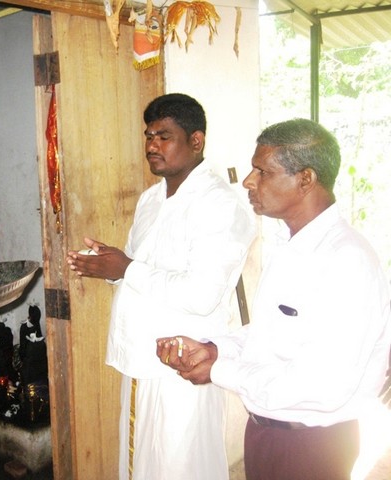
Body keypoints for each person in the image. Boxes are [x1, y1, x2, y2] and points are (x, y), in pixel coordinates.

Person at [157, 118, 391, 480]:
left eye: (263, 171)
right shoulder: (290, 246)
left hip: (311, 447)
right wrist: (216, 349)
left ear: (305, 179)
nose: (249, 181)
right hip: (267, 431)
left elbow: (323, 386)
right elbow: (270, 334)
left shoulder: (346, 261)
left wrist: (219, 370)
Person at [67, 93, 256, 480]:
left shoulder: (220, 204)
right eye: (149, 136)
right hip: (140, 356)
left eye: (164, 136)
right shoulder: (150, 199)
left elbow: (201, 295)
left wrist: (127, 267)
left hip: (182, 365)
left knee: (180, 467)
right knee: (139, 466)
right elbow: (138, 268)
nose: (152, 146)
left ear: (196, 141)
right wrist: (109, 267)